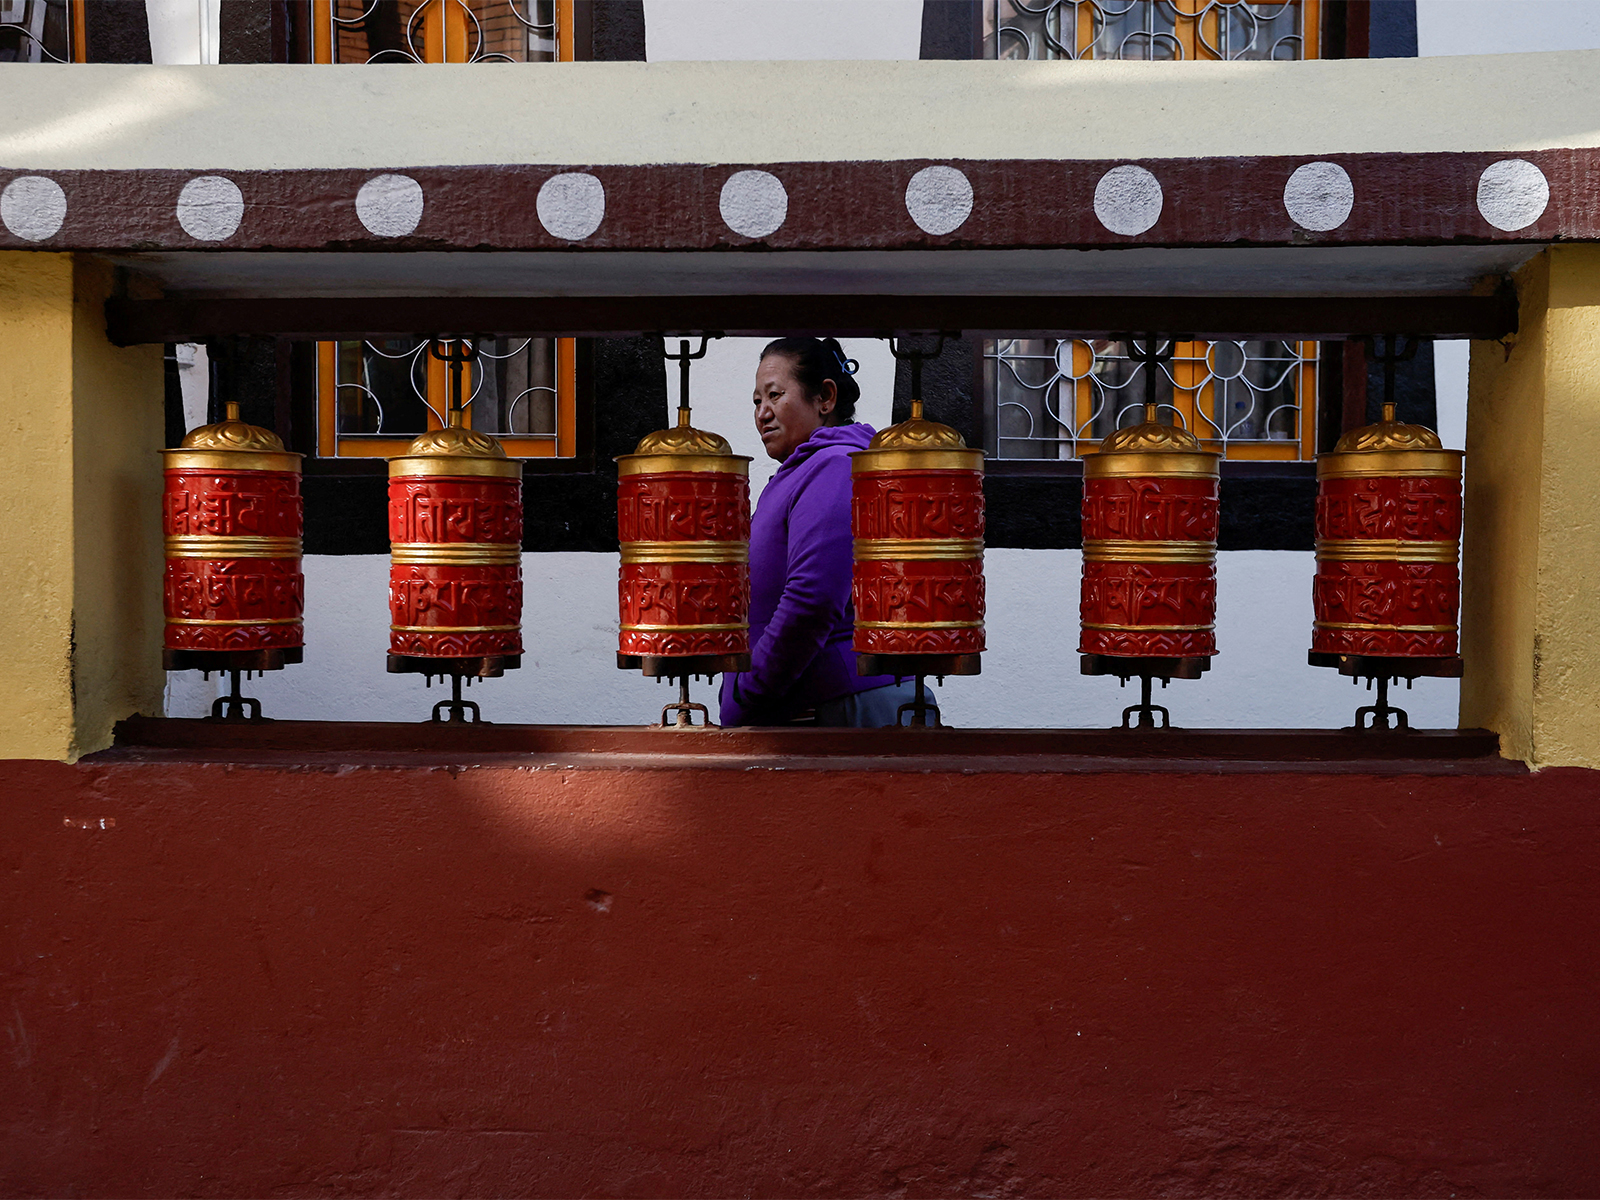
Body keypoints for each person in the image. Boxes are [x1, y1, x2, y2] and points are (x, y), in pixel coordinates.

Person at [719, 337, 926, 727]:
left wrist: (751, 691)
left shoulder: (834, 467)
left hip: (839, 708)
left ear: (825, 397)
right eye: (756, 401)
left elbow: (811, 600)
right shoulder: (803, 471)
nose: (762, 413)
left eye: (775, 395)